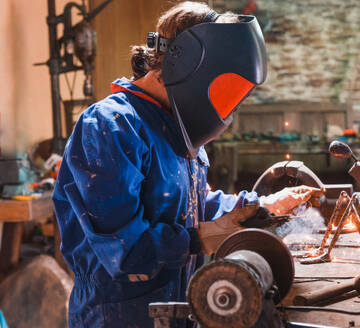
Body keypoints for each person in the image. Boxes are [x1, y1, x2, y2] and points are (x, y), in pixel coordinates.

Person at [53, 2, 320, 327]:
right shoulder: (112, 126)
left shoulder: (178, 126)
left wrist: (259, 206)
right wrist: (201, 238)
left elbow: (192, 205)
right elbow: (124, 249)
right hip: (120, 316)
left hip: (181, 306)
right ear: (188, 66)